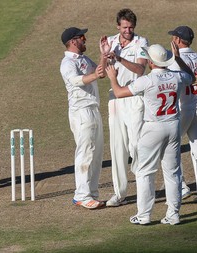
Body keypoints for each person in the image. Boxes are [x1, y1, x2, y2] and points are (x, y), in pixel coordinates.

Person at [106, 43, 196, 225]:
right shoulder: (177, 76)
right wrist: (177, 58)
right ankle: (173, 214)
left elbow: (118, 92)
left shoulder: (146, 80)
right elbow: (192, 77)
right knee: (173, 172)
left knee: (145, 171)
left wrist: (112, 78)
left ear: (151, 62)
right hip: (173, 126)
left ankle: (144, 215)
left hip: (153, 127)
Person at [100, 8, 148, 207]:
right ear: (118, 26)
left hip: (134, 97)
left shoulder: (141, 42)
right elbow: (102, 73)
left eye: (131, 27)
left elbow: (140, 69)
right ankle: (119, 193)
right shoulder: (110, 41)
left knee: (136, 145)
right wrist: (104, 55)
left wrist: (119, 58)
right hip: (115, 99)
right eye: (124, 27)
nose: (128, 30)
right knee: (117, 147)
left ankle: (143, 180)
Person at [167, 26, 197, 204]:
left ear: (179, 41)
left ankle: (182, 187)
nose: (172, 40)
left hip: (181, 109)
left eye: (173, 37)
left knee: (170, 148)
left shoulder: (173, 60)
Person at [60, 27, 106, 209]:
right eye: (82, 37)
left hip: (93, 108)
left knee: (97, 153)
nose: (85, 39)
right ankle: (81, 195)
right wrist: (94, 75)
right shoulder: (67, 63)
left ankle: (91, 193)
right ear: (73, 41)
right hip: (81, 112)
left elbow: (99, 71)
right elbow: (76, 81)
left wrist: (104, 54)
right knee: (85, 152)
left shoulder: (84, 59)